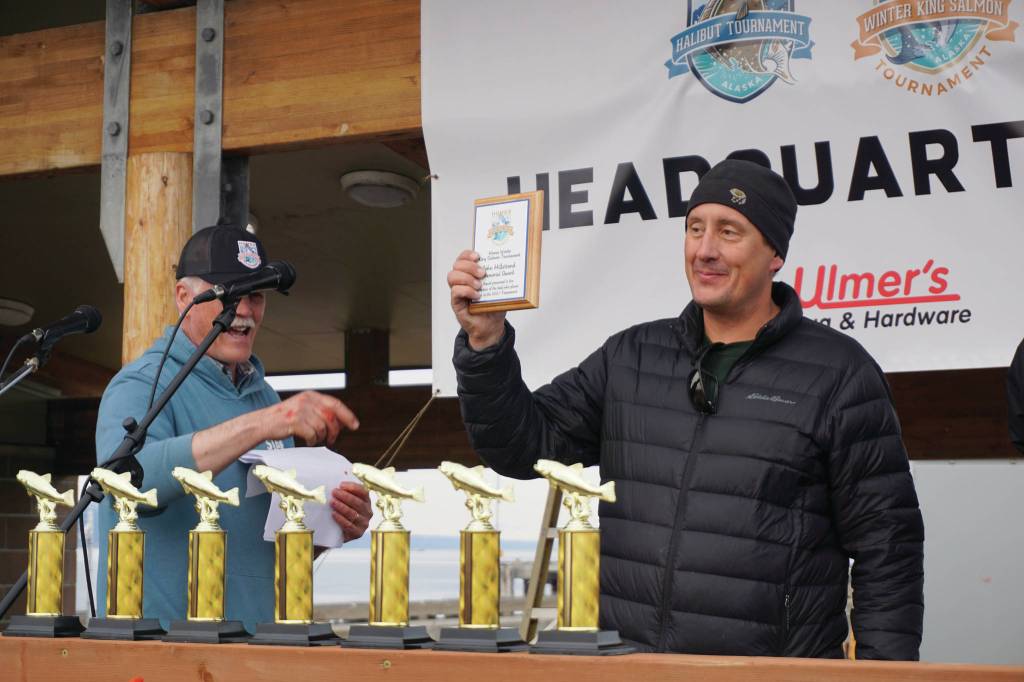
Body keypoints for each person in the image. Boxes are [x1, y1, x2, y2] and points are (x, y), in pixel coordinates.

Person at [448, 159, 924, 659]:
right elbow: (521, 446)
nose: (705, 250)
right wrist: (486, 343)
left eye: (729, 232)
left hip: (771, 675)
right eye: (695, 229)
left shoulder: (839, 373)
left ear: (775, 254)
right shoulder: (630, 357)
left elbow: (887, 546)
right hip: (630, 669)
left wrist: (884, 674)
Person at [95, 224, 373, 631]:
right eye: (229, 294)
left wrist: (331, 526)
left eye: (256, 295)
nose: (244, 310)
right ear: (184, 298)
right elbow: (128, 483)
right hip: (165, 651)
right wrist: (262, 424)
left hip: (259, 649)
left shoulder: (268, 401)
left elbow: (263, 550)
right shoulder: (140, 383)